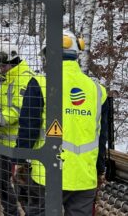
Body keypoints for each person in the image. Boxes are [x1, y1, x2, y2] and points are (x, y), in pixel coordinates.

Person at [14, 30, 109, 216]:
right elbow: (101, 136)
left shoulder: (40, 83)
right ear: (76, 54)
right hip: (84, 177)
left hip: (47, 175)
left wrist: (19, 161)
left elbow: (28, 128)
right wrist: (99, 170)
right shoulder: (97, 90)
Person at [0, 41, 45, 216]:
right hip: (4, 145)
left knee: (23, 189)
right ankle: (11, 213)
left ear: (11, 62)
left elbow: (19, 110)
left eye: (2, 65)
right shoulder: (8, 80)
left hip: (21, 144)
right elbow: (6, 106)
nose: (0, 69)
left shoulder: (25, 79)